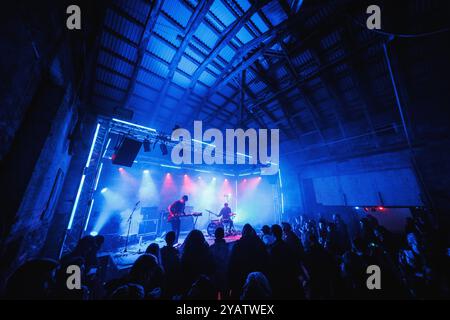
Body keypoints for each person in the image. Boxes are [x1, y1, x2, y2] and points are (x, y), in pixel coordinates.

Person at [160, 231, 181, 297]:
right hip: (172, 277)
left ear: (165, 239)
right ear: (174, 240)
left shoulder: (161, 250)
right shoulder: (175, 252)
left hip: (162, 276)